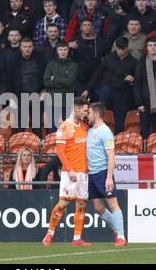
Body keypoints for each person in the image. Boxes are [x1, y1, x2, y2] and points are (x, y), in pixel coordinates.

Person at [42, 97, 90, 247]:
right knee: (63, 204)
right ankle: (49, 234)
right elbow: (60, 152)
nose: (86, 113)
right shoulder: (63, 127)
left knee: (81, 205)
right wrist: (70, 170)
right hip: (70, 173)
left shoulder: (85, 127)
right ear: (76, 109)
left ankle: (77, 238)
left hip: (83, 172)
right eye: (84, 111)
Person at [86, 102, 126, 246]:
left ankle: (121, 236)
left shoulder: (105, 131)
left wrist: (109, 177)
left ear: (96, 114)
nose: (87, 116)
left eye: (89, 113)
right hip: (92, 174)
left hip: (103, 173)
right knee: (98, 207)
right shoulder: (89, 131)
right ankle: (116, 229)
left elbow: (111, 156)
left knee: (113, 203)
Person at [82, 37, 137, 134]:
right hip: (107, 89)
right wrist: (87, 89)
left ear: (127, 48)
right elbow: (98, 74)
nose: (120, 51)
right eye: (118, 49)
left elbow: (137, 78)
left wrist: (132, 78)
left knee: (120, 120)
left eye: (123, 49)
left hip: (122, 93)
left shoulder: (133, 61)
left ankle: (117, 141)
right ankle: (96, 134)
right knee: (99, 113)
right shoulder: (109, 57)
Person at [43, 42, 78, 132]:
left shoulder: (73, 65)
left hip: (67, 100)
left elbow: (70, 82)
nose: (63, 52)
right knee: (53, 129)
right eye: (61, 50)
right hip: (53, 100)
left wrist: (54, 79)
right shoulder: (51, 64)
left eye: (65, 49)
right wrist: (63, 82)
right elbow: (46, 82)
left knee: (66, 128)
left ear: (68, 50)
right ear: (57, 51)